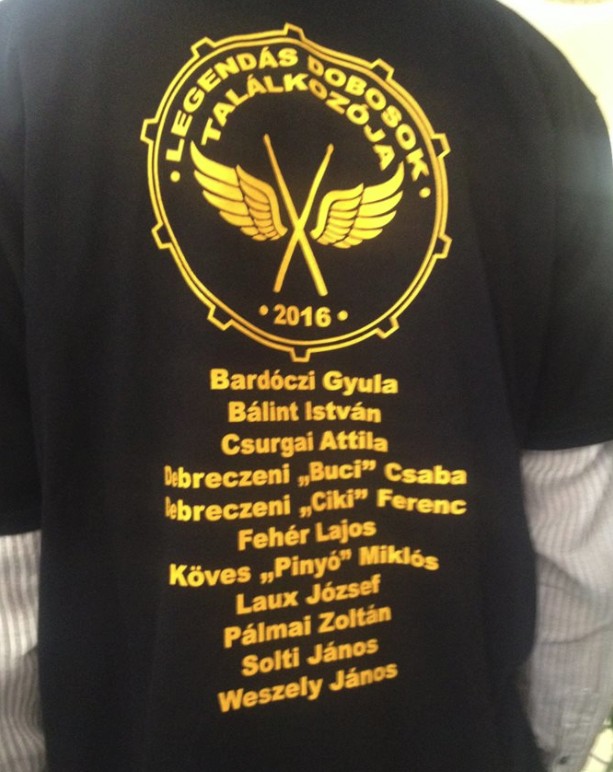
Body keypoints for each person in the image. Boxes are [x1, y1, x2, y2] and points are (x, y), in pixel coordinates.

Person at [1, 0, 612, 769]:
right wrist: (550, 749)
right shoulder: (530, 75)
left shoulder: (22, 55)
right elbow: (577, 521)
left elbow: (9, 565)